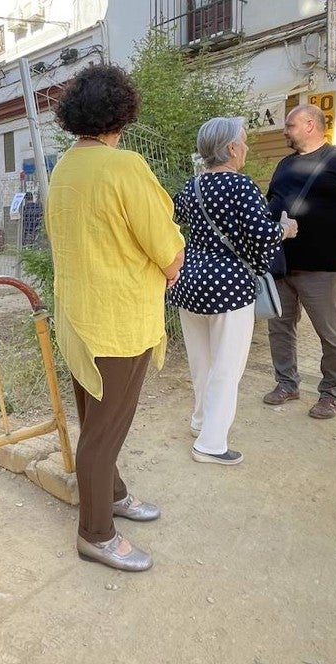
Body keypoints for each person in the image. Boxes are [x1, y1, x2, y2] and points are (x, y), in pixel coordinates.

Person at [44, 64, 185, 572]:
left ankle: (114, 494)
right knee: (104, 433)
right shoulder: (123, 166)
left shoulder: (65, 168)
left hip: (80, 318)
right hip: (119, 320)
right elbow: (167, 249)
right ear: (122, 112)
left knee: (96, 424)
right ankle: (96, 533)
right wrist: (171, 265)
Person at [168, 117, 289, 465]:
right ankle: (211, 443)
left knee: (201, 360)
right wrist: (285, 229)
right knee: (227, 365)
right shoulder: (241, 186)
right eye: (245, 142)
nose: (247, 148)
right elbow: (262, 236)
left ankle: (201, 421)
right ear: (232, 148)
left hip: (190, 282)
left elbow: (170, 220)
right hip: (230, 286)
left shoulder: (192, 187)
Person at [263, 104, 336, 419]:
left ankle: (332, 394)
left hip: (326, 267)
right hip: (282, 265)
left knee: (332, 334)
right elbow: (273, 206)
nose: (284, 131)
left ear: (311, 124)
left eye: (290, 125)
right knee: (280, 329)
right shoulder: (284, 165)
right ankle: (287, 383)